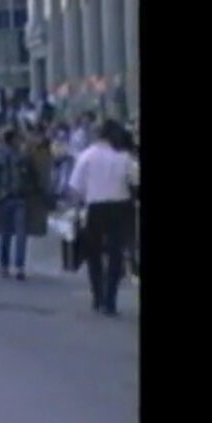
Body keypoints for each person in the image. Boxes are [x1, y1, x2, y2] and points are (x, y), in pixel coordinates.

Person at [69, 120, 139, 315]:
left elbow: (75, 187)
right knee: (116, 253)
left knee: (94, 254)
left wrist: (77, 208)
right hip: (121, 208)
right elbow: (135, 180)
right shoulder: (124, 157)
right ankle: (111, 299)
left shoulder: (87, 156)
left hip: (96, 208)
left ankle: (97, 296)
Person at [0, 128, 47, 280]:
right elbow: (35, 180)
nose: (21, 142)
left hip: (4, 198)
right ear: (13, 140)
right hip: (20, 198)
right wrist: (43, 196)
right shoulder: (24, 158)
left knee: (6, 233)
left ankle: (4, 266)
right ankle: (19, 266)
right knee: (20, 234)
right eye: (19, 139)